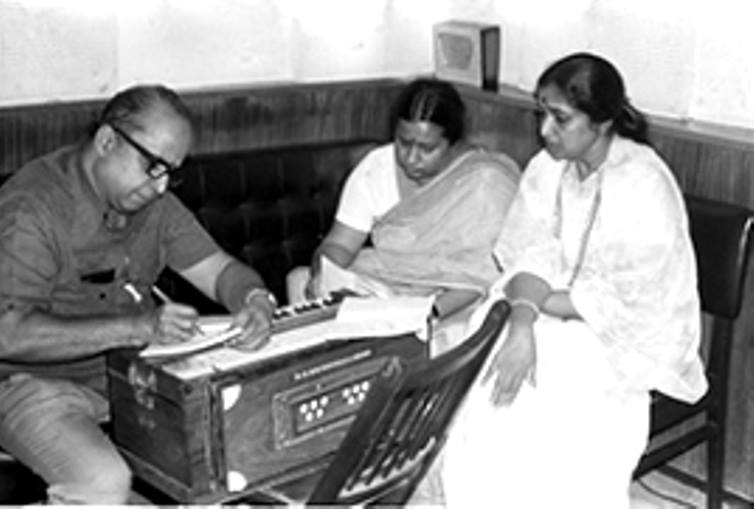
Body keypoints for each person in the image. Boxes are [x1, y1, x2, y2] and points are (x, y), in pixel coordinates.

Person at [439, 53, 707, 508]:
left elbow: (629, 301)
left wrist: (539, 314)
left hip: (626, 333)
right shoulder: (548, 167)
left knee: (553, 378)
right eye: (541, 113)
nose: (545, 131)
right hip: (547, 306)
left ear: (601, 123)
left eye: (560, 118)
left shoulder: (643, 182)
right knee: (492, 340)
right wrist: (522, 323)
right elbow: (528, 253)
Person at [0, 84, 278, 504]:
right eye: (153, 165)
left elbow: (221, 271)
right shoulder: (31, 208)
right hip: (30, 384)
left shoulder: (153, 204)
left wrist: (256, 299)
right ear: (107, 141)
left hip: (133, 376)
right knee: (102, 483)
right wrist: (137, 328)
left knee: (242, 441)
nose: (162, 186)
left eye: (173, 172)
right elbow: (9, 333)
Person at [291, 78, 520, 342]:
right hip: (392, 288)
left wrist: (428, 311)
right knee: (301, 280)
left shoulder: (485, 182)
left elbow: (484, 274)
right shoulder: (376, 169)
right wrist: (326, 276)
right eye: (403, 143)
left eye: (427, 148)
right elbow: (340, 245)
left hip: (456, 301)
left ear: (454, 144)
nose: (411, 158)